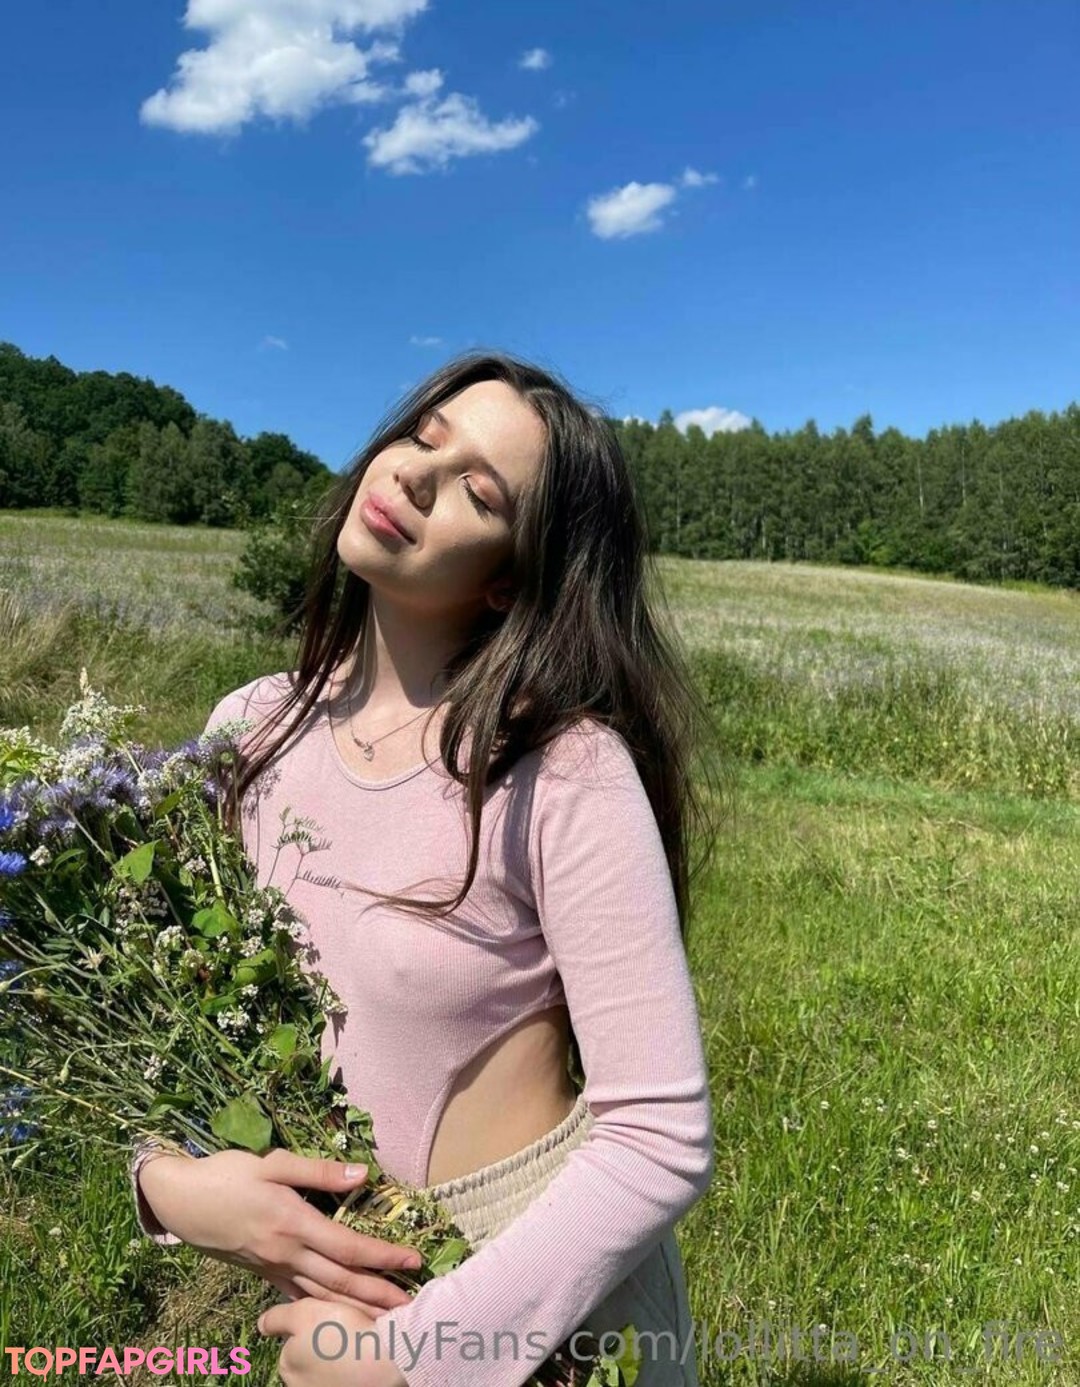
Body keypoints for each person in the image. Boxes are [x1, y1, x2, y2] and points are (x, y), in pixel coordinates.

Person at [131, 351, 726, 1387]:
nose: (414, 474)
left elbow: (659, 1137)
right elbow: (167, 1014)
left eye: (477, 491)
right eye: (422, 437)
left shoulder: (558, 767)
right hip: (344, 1294)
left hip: (535, 1301)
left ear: (510, 577)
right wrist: (166, 1184)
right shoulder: (250, 728)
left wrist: (420, 1358)